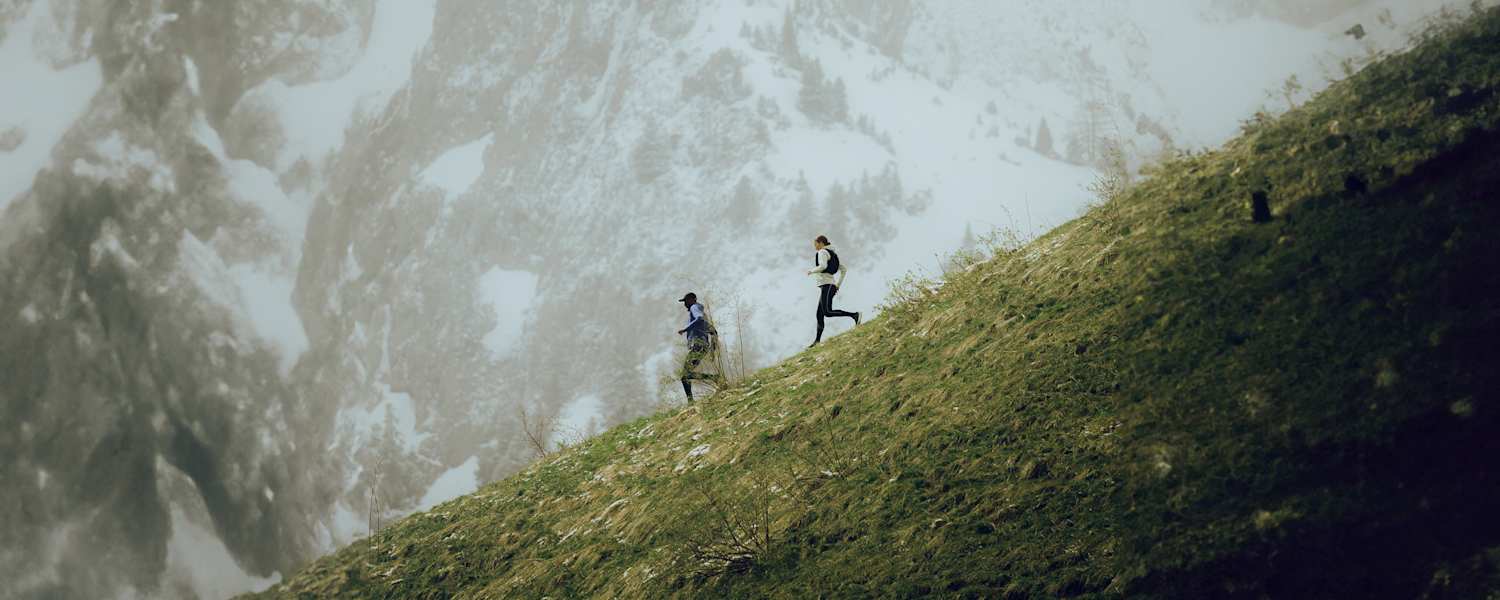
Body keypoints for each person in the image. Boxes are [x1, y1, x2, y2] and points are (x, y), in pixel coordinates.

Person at [806, 235, 860, 347]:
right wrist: (837, 285)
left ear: (820, 243)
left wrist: (811, 271)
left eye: (815, 244)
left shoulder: (822, 252)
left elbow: (822, 266)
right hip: (829, 286)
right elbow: (843, 269)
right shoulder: (832, 254)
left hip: (827, 286)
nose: (814, 246)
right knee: (819, 314)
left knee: (827, 312)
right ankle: (817, 341)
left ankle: (855, 315)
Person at [675, 292, 718, 401]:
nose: (685, 304)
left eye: (686, 301)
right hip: (702, 347)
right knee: (685, 375)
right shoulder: (703, 315)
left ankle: (691, 402)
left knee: (685, 376)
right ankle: (713, 378)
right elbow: (714, 331)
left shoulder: (695, 308)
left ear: (693, 299)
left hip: (698, 346)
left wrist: (685, 329)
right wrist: (713, 350)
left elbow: (698, 318)